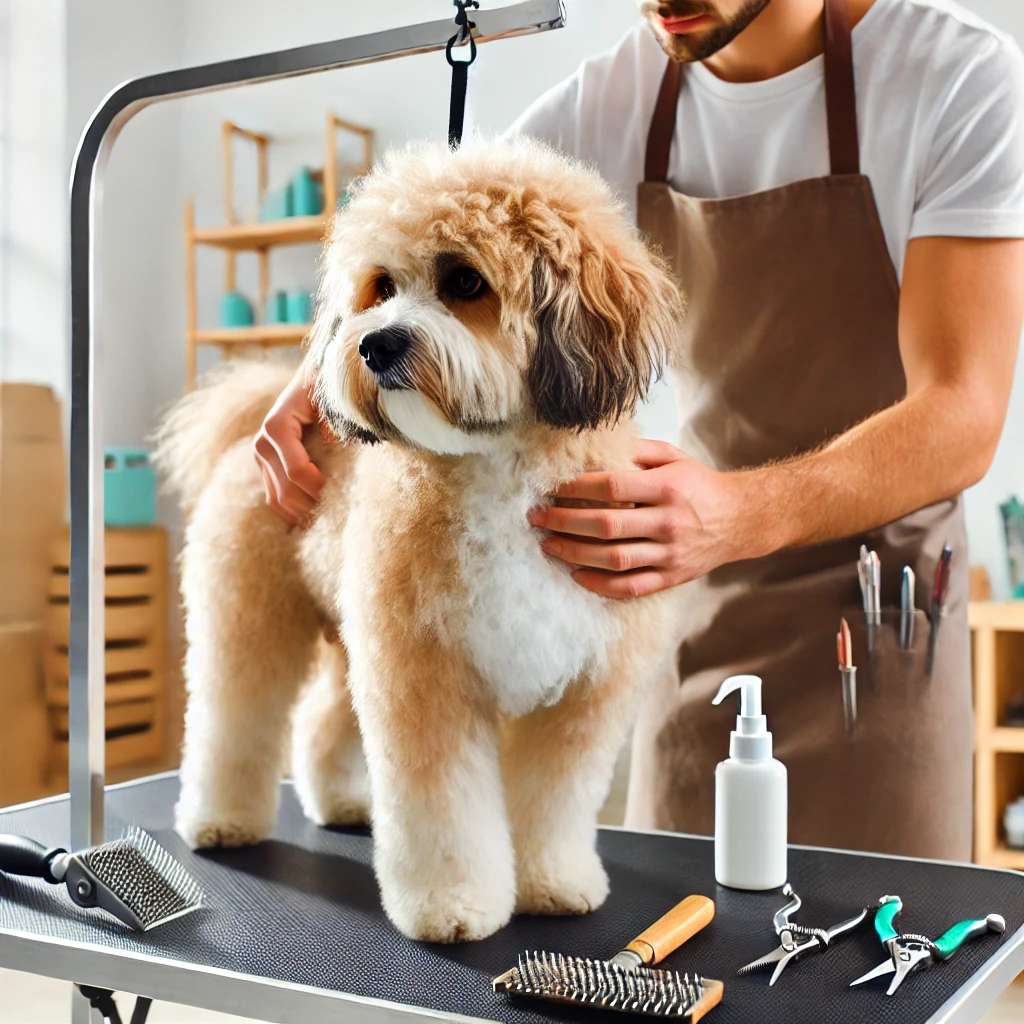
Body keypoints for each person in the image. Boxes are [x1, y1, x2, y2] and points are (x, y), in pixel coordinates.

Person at [253, 0, 1024, 860]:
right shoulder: (615, 100)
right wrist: (312, 383)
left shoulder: (955, 78)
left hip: (878, 619)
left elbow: (962, 412)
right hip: (692, 598)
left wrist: (735, 515)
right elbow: (433, 235)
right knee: (677, 956)